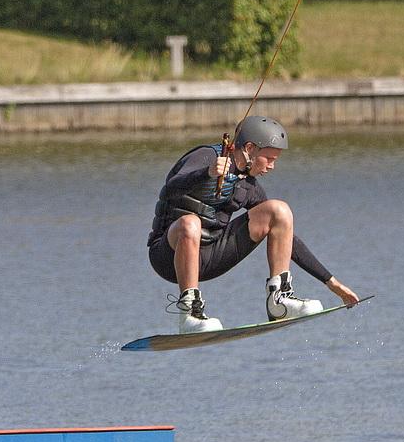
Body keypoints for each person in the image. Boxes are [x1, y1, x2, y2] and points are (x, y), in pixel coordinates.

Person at [148, 116, 359, 333]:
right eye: (269, 159)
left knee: (279, 211)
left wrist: (331, 283)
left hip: (212, 258)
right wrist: (206, 173)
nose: (272, 166)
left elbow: (288, 240)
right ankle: (189, 314)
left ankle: (279, 300)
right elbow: (170, 188)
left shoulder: (248, 186)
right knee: (190, 223)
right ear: (249, 148)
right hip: (167, 257)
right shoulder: (206, 156)